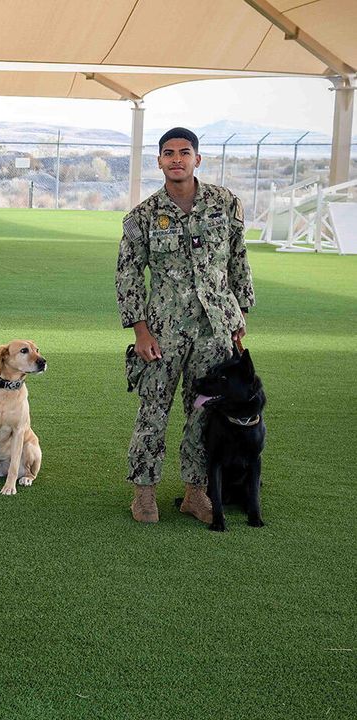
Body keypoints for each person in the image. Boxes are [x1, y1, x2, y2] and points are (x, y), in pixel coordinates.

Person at [116, 127, 255, 524]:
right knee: (153, 410)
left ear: (198, 158)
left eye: (184, 152)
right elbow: (127, 274)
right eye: (168, 153)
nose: (176, 159)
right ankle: (144, 493)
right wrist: (140, 330)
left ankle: (196, 492)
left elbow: (238, 260)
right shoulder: (143, 216)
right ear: (159, 161)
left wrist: (238, 315)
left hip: (214, 329)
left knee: (205, 412)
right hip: (163, 331)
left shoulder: (225, 204)